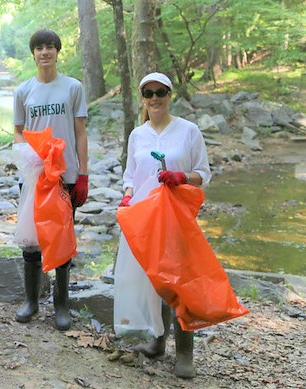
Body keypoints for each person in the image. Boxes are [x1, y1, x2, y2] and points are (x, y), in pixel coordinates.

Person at [114, 72, 211, 379]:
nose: (154, 98)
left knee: (179, 282)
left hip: (178, 215)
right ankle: (157, 342)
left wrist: (183, 177)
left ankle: (184, 352)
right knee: (153, 279)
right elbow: (130, 175)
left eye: (160, 92)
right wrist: (128, 196)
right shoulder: (137, 135)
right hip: (145, 218)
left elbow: (203, 173)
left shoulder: (188, 130)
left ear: (170, 95)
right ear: (142, 98)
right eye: (148, 93)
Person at [12, 29, 88, 329]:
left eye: (50, 47)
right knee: (31, 240)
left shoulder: (72, 87)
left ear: (58, 51)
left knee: (62, 238)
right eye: (40, 48)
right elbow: (18, 130)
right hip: (35, 175)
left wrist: (82, 173)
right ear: (33, 53)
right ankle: (31, 301)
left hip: (65, 175)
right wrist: (27, 155)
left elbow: (80, 131)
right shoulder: (23, 91)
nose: (45, 52)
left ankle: (61, 305)